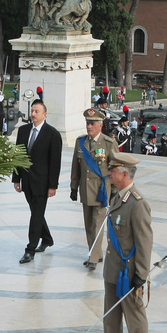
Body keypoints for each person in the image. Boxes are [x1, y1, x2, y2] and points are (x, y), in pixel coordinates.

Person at [86, 152, 153, 333]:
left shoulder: (137, 204)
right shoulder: (118, 197)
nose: (110, 174)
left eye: (113, 171)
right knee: (111, 315)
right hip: (114, 270)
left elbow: (144, 242)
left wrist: (141, 274)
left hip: (129, 272)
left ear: (125, 173)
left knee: (134, 318)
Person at [12, 99, 62, 263]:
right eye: (32, 111)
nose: (33, 114)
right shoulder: (23, 131)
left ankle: (30, 249)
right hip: (27, 181)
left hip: (42, 183)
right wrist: (16, 178)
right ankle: (47, 238)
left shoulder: (53, 134)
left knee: (36, 216)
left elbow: (55, 162)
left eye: (37, 111)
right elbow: (18, 156)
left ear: (45, 114)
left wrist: (52, 185)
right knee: (37, 213)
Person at [70, 108, 119, 270]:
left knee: (98, 225)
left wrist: (114, 191)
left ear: (100, 125)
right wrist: (73, 187)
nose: (89, 126)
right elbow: (75, 168)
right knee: (89, 225)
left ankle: (92, 257)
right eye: (87, 123)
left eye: (92, 123)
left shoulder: (109, 143)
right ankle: (96, 254)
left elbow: (115, 169)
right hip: (85, 190)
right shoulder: (80, 142)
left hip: (101, 191)